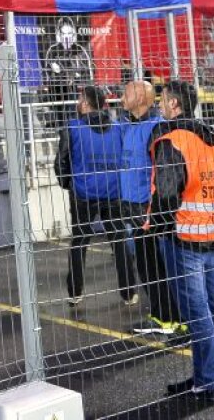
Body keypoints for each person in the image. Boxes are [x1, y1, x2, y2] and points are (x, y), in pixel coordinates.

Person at [152, 80, 214, 405]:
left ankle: (209, 382)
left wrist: (155, 226)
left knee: (198, 311)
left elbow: (165, 194)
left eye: (163, 100)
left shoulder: (173, 141)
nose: (159, 104)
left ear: (175, 105)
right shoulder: (213, 138)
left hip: (185, 237)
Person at [54, 85, 138, 306]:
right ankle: (129, 292)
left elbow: (61, 161)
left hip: (83, 192)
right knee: (119, 241)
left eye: (80, 98)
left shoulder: (72, 128)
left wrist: (68, 184)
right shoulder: (119, 127)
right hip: (113, 192)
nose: (77, 102)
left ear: (85, 104)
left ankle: (75, 291)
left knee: (79, 242)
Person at [120, 81, 186, 336]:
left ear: (140, 97)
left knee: (155, 265)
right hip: (133, 207)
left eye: (127, 92)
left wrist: (153, 208)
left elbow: (163, 171)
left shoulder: (156, 128)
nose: (121, 97)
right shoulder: (130, 126)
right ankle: (166, 315)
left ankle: (167, 317)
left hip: (147, 210)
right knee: (148, 265)